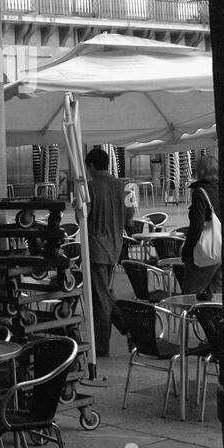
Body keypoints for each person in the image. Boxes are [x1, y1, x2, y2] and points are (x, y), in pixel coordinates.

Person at [84, 148, 128, 357]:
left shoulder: (90, 188)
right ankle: (129, 328)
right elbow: (130, 216)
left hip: (96, 248)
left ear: (91, 166)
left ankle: (120, 333)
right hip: (115, 246)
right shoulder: (121, 186)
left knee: (101, 297)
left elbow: (83, 218)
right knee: (105, 293)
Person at [180, 152, 222, 297]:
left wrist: (187, 250)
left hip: (205, 253)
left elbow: (196, 227)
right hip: (221, 250)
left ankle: (189, 319)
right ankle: (216, 319)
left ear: (200, 171)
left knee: (190, 295)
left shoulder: (200, 193)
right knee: (218, 295)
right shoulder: (221, 189)